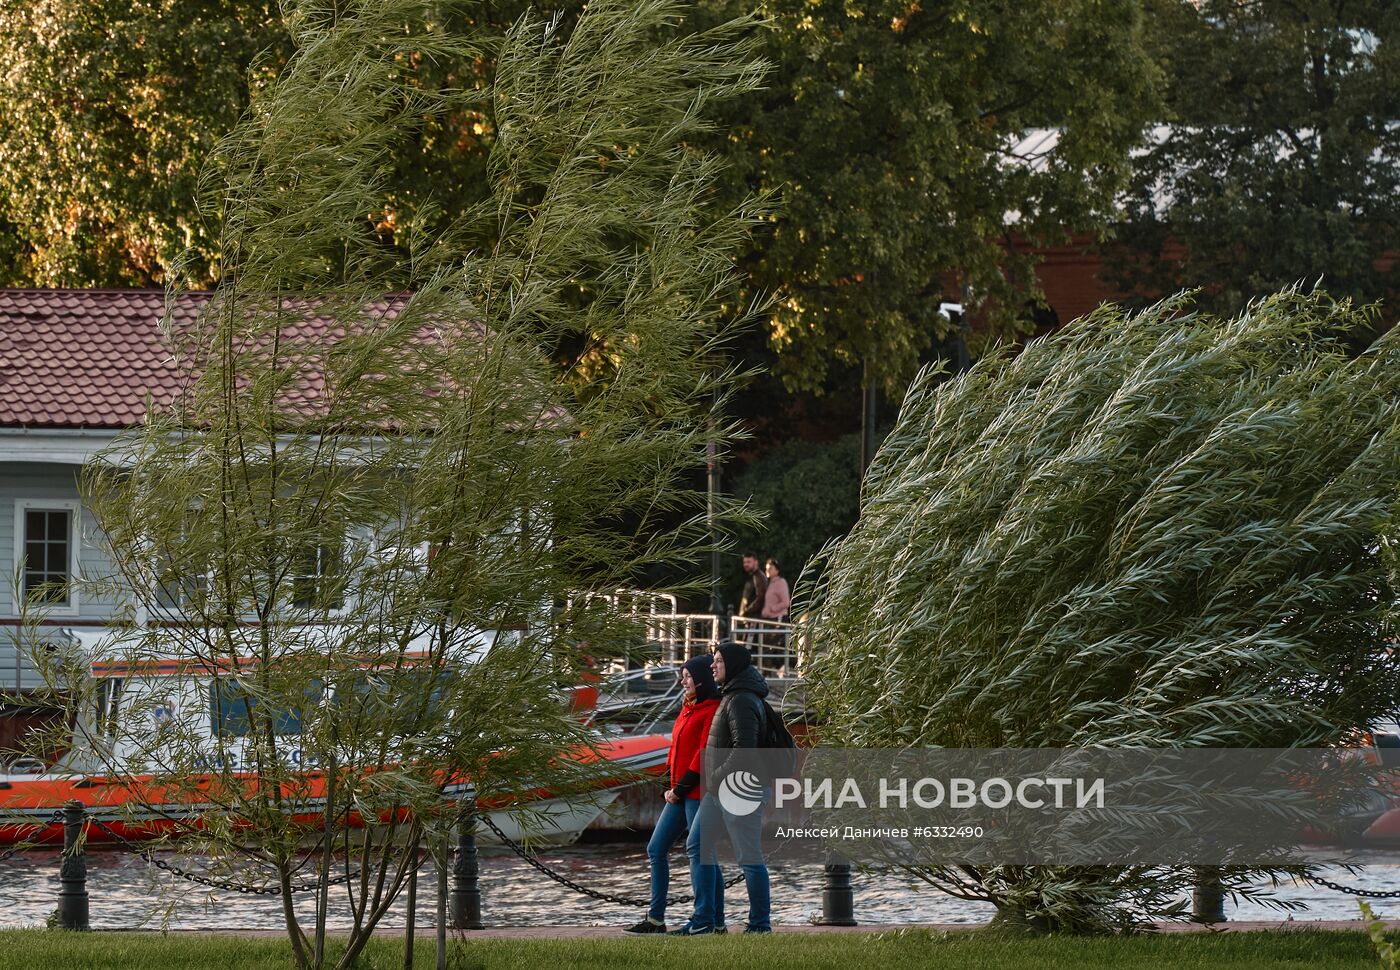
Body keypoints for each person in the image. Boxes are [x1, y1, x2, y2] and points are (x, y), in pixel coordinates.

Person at [622, 655, 726, 935]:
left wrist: (678, 789)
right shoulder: (687, 707)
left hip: (697, 792)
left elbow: (704, 756)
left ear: (702, 679)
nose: (683, 681)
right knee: (656, 849)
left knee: (703, 852)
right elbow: (675, 749)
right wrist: (667, 782)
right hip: (679, 792)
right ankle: (655, 919)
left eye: (688, 676)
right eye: (683, 675)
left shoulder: (713, 709)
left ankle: (711, 920)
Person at [673, 641, 772, 935]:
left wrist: (714, 776)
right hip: (720, 789)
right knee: (698, 844)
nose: (713, 665)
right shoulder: (731, 695)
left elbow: (745, 751)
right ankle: (705, 920)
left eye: (718, 661)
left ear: (734, 666)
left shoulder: (741, 700)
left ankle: (759, 925)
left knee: (749, 857)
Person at [737, 553, 767, 620]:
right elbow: (746, 597)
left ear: (756, 562)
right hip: (749, 617)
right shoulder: (751, 576)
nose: (746, 564)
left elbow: (760, 598)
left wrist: (746, 611)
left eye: (748, 562)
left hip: (755, 618)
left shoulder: (759, 577)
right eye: (744, 562)